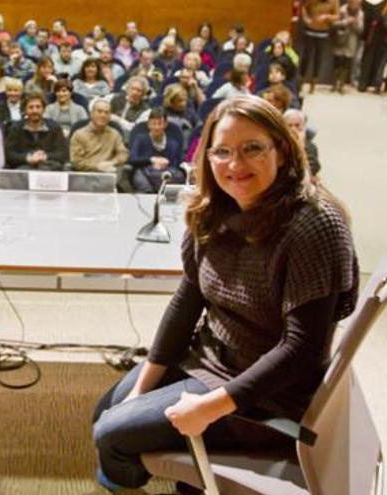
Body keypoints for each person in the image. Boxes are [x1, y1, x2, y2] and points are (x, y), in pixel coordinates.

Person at [92, 96, 358, 491]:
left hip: (267, 394)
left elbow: (301, 350)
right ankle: (185, 474)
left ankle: (149, 478)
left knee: (111, 435)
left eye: (252, 149)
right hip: (210, 357)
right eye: (222, 151)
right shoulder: (215, 209)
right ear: (208, 157)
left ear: (282, 151)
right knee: (109, 412)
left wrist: (210, 408)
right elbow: (186, 304)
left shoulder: (314, 224)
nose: (235, 165)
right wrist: (144, 387)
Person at [70, 99, 130, 190]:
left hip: (108, 176)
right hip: (86, 176)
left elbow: (123, 153)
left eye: (107, 113)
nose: (103, 115)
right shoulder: (79, 134)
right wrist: (97, 166)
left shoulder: (114, 134)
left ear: (110, 116)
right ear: (92, 114)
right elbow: (76, 161)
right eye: (99, 111)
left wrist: (111, 162)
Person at [4, 93, 68, 171]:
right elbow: (9, 154)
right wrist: (28, 158)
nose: (35, 111)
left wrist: (45, 156)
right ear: (25, 110)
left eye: (38, 107)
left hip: (49, 167)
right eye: (31, 107)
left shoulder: (55, 127)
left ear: (43, 109)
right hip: (23, 168)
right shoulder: (16, 128)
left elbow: (62, 153)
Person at [130, 108, 185, 193]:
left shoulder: (173, 144)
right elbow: (133, 159)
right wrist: (151, 160)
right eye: (153, 124)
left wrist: (165, 164)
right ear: (148, 124)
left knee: (179, 176)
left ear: (165, 124)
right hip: (145, 173)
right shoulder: (140, 139)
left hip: (166, 174)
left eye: (160, 124)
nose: (156, 127)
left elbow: (176, 164)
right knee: (140, 178)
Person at [300, 0, 341, 94]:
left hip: (323, 32)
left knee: (318, 58)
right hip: (309, 30)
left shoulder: (334, 1)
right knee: (306, 57)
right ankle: (300, 82)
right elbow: (304, 7)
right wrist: (306, 18)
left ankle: (313, 84)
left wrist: (327, 16)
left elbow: (337, 16)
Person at [332, 0, 364, 93]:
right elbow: (334, 24)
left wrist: (355, 23)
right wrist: (346, 22)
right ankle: (334, 83)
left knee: (346, 64)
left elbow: (361, 30)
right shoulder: (342, 10)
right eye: (353, 3)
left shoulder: (360, 14)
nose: (355, 5)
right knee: (337, 62)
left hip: (351, 42)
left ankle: (341, 85)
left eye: (357, 4)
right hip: (340, 39)